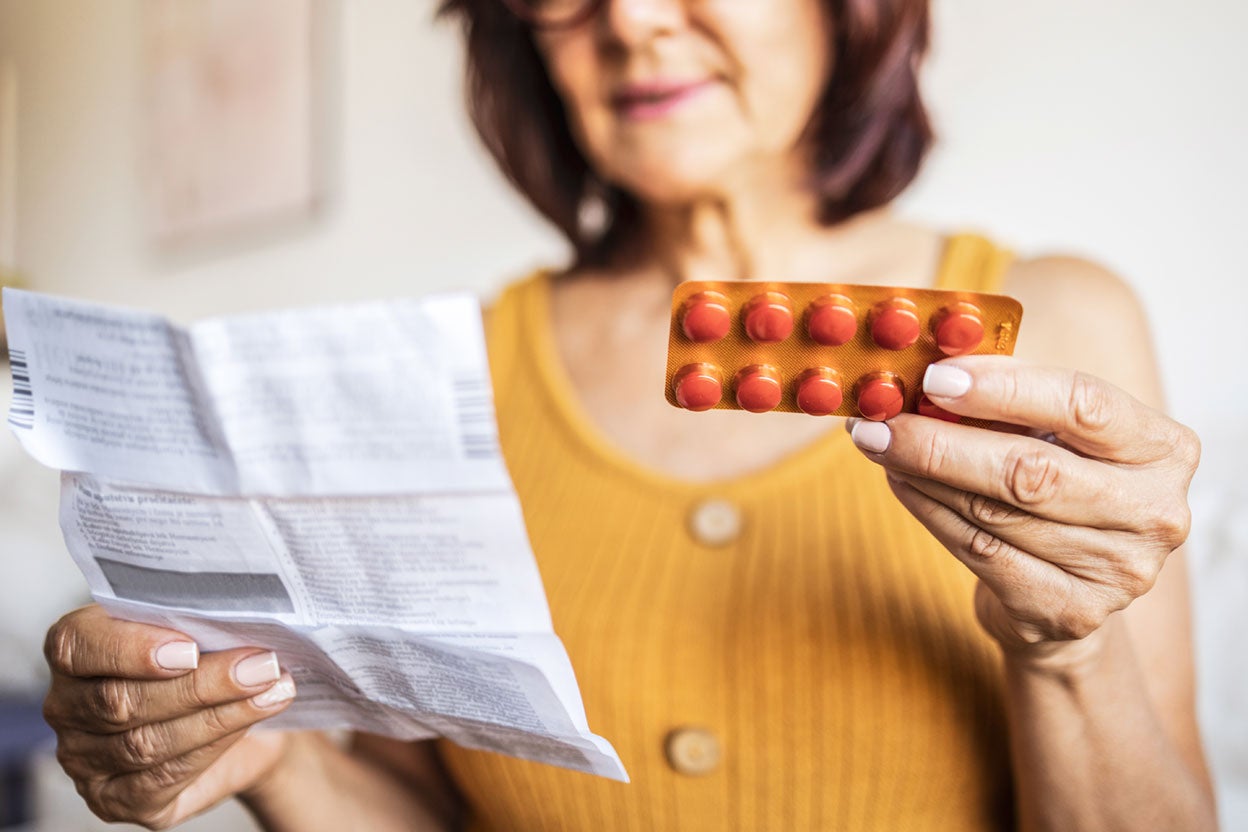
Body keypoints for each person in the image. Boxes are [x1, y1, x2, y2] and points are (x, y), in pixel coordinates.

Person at [39, 0, 1218, 829]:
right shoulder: (457, 372)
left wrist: (1069, 651)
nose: (634, 18)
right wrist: (271, 759)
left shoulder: (1060, 322)